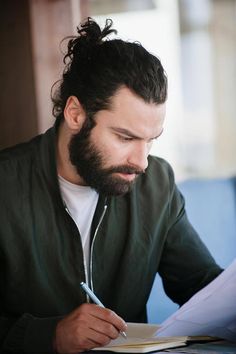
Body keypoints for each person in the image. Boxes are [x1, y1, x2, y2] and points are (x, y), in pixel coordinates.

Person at [0, 17, 222, 354]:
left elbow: (203, 287)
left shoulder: (156, 183)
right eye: (124, 137)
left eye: (151, 141)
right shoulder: (5, 186)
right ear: (75, 114)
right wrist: (50, 335)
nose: (142, 161)